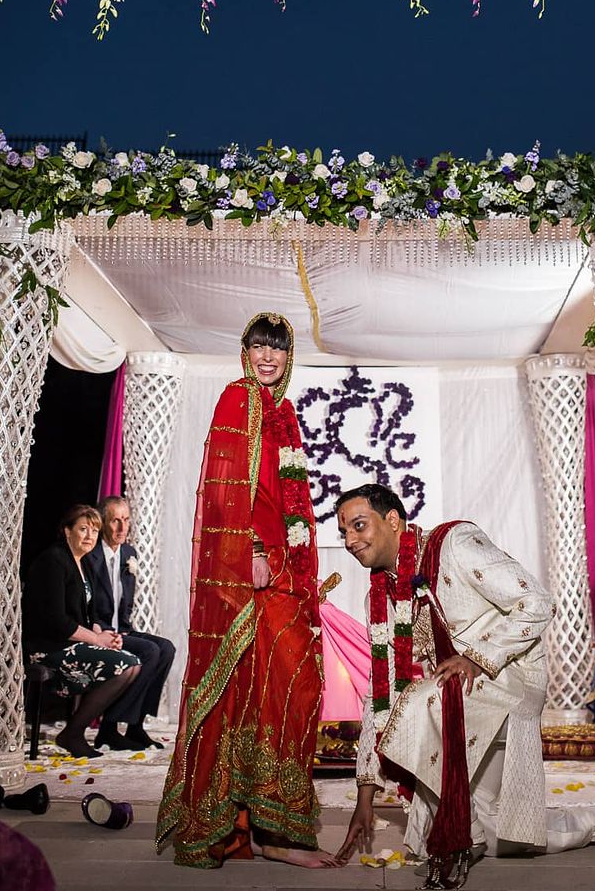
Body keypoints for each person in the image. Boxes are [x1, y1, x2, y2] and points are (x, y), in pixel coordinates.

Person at [335, 484, 595, 886]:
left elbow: (537, 602)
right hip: (452, 694)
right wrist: (365, 797)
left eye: (359, 526)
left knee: (421, 702)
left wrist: (477, 658)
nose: (350, 541)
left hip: (508, 675)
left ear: (392, 520)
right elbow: (379, 696)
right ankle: (583, 824)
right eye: (343, 532)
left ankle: (462, 835)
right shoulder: (381, 596)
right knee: (500, 836)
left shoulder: (454, 544)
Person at [156, 312, 340, 869]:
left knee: (290, 688)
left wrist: (297, 568)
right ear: (245, 351)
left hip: (284, 572)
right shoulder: (238, 399)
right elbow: (225, 489)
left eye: (277, 348)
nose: (267, 356)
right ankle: (253, 829)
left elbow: (288, 500)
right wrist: (252, 550)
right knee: (253, 690)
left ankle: (268, 826)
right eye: (259, 345)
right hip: (251, 572)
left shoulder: (283, 411)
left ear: (289, 358)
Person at [22, 504, 141, 758]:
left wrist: (106, 636)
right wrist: (96, 639)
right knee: (126, 666)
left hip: (71, 642)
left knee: (133, 665)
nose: (90, 536)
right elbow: (57, 621)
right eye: (83, 529)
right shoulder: (54, 561)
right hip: (48, 646)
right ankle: (73, 733)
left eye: (94, 530)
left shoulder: (81, 562)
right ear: (67, 531)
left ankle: (77, 730)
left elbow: (89, 614)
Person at [83, 495, 176, 750]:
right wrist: (97, 629)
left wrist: (124, 630)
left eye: (126, 520)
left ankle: (136, 727)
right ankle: (109, 728)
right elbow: (85, 601)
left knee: (166, 648)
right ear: (103, 522)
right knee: (150, 651)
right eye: (115, 521)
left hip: (123, 629)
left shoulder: (129, 553)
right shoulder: (90, 555)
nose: (122, 528)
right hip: (101, 631)